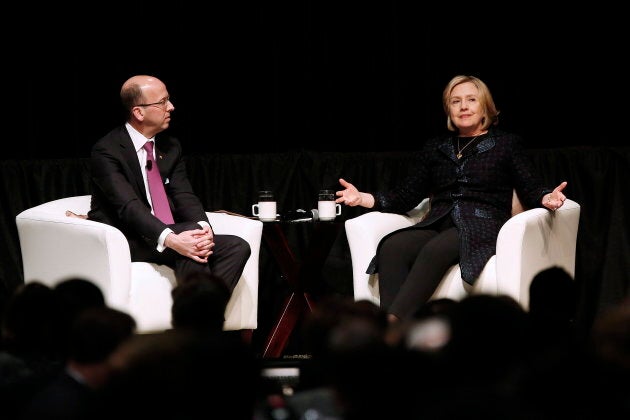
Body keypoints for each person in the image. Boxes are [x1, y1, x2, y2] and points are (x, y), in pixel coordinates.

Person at [335, 74, 568, 324]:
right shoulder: (436, 148)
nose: (463, 106)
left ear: (485, 107)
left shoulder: (506, 145)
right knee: (394, 246)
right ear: (449, 109)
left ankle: (391, 328)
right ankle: (401, 332)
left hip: (482, 224)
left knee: (435, 250)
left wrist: (546, 197)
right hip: (438, 222)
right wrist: (362, 198)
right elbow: (405, 196)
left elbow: (530, 185)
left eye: (471, 100)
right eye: (455, 101)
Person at [88, 75, 251, 293]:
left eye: (169, 100)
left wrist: (204, 228)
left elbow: (184, 195)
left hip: (171, 230)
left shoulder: (170, 146)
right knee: (190, 243)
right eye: (162, 102)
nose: (171, 107)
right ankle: (200, 322)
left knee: (236, 246)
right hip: (129, 237)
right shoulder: (107, 151)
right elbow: (128, 206)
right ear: (138, 112)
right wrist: (171, 239)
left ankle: (199, 319)